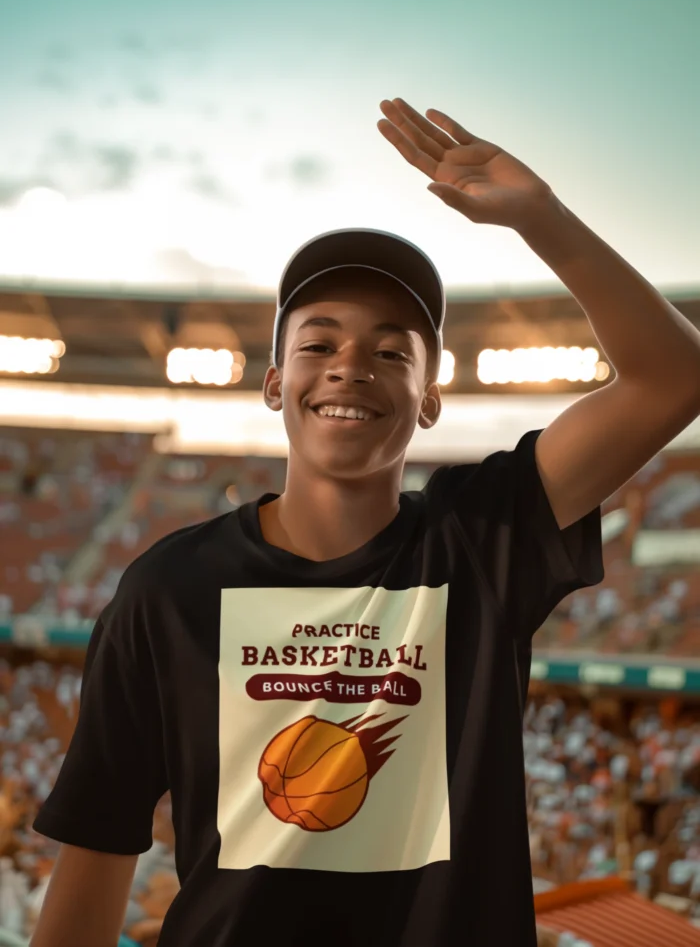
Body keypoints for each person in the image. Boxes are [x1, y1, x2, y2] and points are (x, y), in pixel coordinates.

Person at [29, 98, 700, 947]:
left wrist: (541, 217)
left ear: (429, 401)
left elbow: (673, 375)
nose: (350, 367)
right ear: (274, 383)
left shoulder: (481, 541)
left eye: (391, 352)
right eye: (317, 344)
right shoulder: (170, 587)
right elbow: (97, 845)